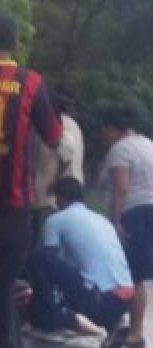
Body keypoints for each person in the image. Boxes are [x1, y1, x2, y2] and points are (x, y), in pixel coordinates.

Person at [0, 13, 62, 348]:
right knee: (1, 285)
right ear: (14, 44)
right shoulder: (30, 82)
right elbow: (54, 136)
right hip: (12, 202)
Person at [26, 177, 134, 340]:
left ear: (60, 198)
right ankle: (110, 323)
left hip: (99, 301)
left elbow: (49, 261)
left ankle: (49, 317)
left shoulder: (56, 220)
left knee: (39, 258)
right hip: (123, 301)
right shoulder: (102, 219)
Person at [100, 107, 153, 348]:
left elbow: (121, 186)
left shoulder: (119, 149)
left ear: (113, 128)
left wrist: (116, 219)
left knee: (132, 274)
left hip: (135, 213)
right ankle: (134, 329)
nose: (104, 134)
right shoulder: (147, 144)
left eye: (105, 129)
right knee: (138, 272)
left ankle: (133, 333)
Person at [31, 88, 85, 242]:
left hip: (52, 197)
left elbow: (66, 154)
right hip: (62, 194)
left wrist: (54, 184)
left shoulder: (59, 124)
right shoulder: (71, 124)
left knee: (44, 241)